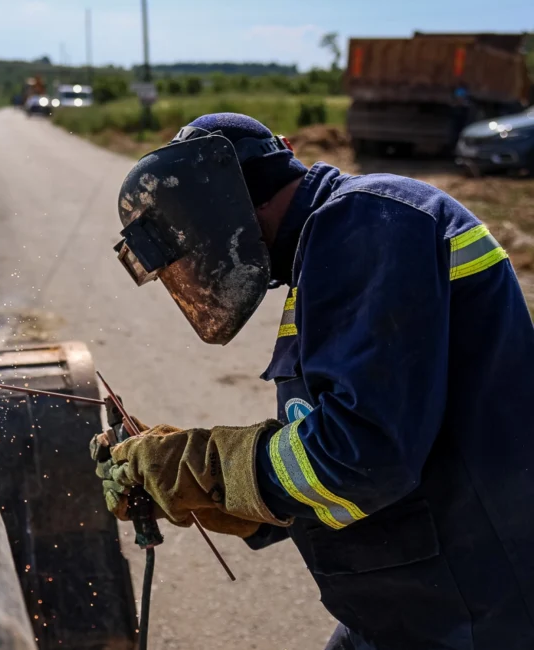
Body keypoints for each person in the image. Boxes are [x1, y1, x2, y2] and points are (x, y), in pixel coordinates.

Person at [96, 113, 534, 649]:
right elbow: (329, 454)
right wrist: (217, 495)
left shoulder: (367, 219)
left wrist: (211, 466)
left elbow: (362, 457)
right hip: (410, 603)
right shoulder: (331, 252)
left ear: (215, 207)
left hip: (478, 613)